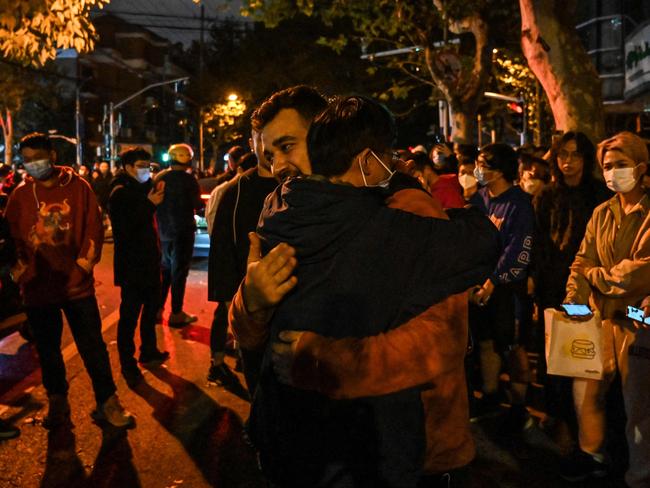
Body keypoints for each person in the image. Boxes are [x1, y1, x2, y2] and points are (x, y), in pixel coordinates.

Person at [233, 95, 500, 487]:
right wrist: (251, 303)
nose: (277, 167)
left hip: (402, 448)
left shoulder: (403, 207)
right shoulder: (281, 209)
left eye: (287, 146)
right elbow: (261, 342)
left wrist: (325, 361)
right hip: (314, 446)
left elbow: (440, 341)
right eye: (268, 155)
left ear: (326, 136)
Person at [5, 133, 134, 429]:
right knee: (48, 351)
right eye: (26, 160)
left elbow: (93, 227)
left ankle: (108, 403)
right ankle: (58, 404)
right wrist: (19, 272)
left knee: (93, 348)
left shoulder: (78, 187)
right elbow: (12, 239)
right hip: (37, 289)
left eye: (37, 157)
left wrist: (82, 266)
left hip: (77, 287)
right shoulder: (20, 196)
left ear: (52, 155)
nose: (32, 164)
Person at [560, 132, 650, 487]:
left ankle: (640, 477)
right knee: (587, 394)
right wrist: (573, 298)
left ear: (641, 168)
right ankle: (592, 455)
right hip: (597, 318)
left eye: (621, 165)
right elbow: (582, 259)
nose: (613, 172)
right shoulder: (602, 212)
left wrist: (594, 276)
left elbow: (634, 274)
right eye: (608, 166)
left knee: (640, 407)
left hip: (637, 319)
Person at [531, 131, 610, 443]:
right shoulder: (547, 196)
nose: (568, 162)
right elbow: (537, 241)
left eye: (575, 155)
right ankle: (557, 413)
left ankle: (586, 423)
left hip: (587, 289)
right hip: (553, 288)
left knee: (583, 352)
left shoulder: (600, 196)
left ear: (586, 159)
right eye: (563, 155)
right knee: (553, 350)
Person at [468, 143, 535, 434]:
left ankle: (520, 406)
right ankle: (492, 395)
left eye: (483, 164)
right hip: (481, 287)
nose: (478, 169)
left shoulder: (519, 203)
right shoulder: (479, 199)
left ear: (500, 170)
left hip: (508, 288)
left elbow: (518, 248)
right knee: (485, 341)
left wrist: (493, 281)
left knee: (513, 345)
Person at [206, 130, 280, 390]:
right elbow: (222, 250)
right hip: (251, 305)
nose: (274, 147)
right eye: (266, 137)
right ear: (253, 143)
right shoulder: (235, 192)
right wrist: (230, 300)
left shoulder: (306, 185)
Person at [108, 148, 170, 388]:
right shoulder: (119, 192)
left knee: (151, 309)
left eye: (148, 165)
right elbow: (124, 229)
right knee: (129, 316)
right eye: (142, 165)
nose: (147, 170)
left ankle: (149, 350)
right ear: (128, 167)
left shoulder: (146, 187)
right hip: (131, 265)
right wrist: (149, 204)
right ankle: (127, 362)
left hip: (150, 261)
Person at [155, 143, 202, 327]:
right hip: (183, 232)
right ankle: (176, 312)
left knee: (165, 272)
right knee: (179, 273)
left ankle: (157, 310)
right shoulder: (189, 180)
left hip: (163, 232)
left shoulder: (159, 177)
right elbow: (197, 205)